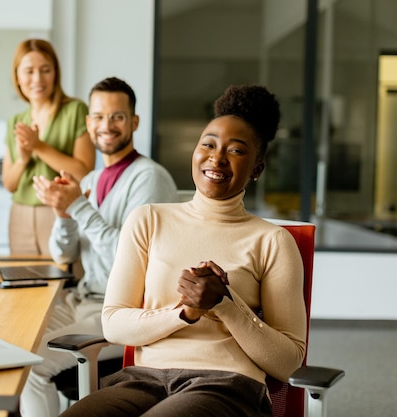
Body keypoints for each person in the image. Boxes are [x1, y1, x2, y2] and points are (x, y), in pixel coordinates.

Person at [59, 85, 307, 417]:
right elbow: (114, 324)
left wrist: (225, 304)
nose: (216, 157)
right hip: (142, 380)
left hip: (226, 385)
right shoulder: (148, 219)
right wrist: (184, 312)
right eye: (208, 144)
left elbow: (288, 361)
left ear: (257, 169)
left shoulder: (272, 241)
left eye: (235, 150)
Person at [20, 77, 178, 417]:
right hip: (84, 301)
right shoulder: (90, 180)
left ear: (134, 122)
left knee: (30, 367)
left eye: (117, 116)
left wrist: (78, 207)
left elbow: (131, 258)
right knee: (16, 344)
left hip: (122, 312)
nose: (106, 125)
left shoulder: (149, 178)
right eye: (97, 116)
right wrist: (63, 215)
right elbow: (65, 254)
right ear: (88, 122)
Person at [2, 39, 96, 255]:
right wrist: (23, 160)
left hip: (59, 212)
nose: (37, 79)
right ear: (17, 76)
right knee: (22, 283)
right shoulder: (16, 121)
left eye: (45, 70)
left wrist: (38, 146)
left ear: (56, 73)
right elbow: (9, 183)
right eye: (29, 71)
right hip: (20, 215)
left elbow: (83, 172)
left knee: (62, 281)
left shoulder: (75, 110)